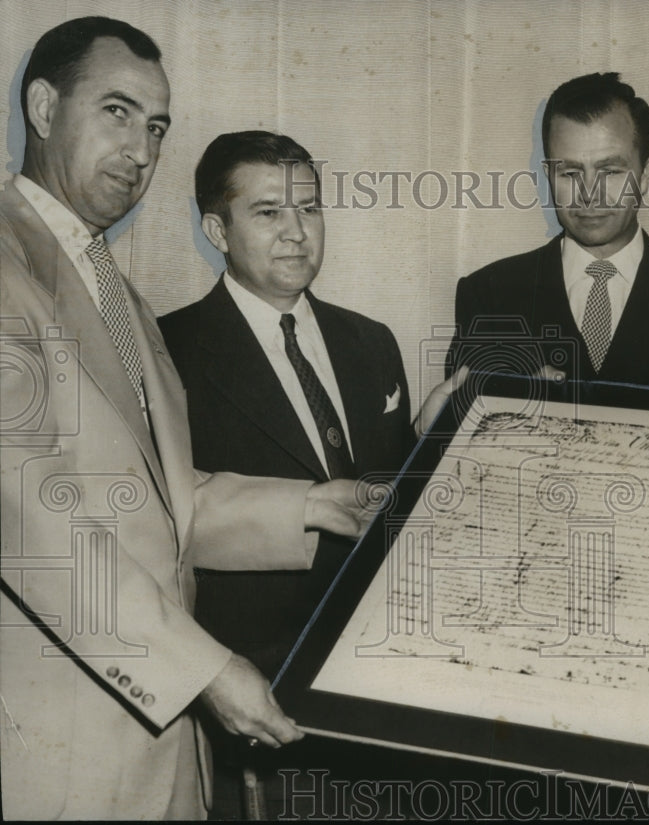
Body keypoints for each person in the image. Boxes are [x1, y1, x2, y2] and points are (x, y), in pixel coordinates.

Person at [0, 18, 375, 820]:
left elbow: (164, 502)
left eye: (158, 125)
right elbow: (29, 522)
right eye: (117, 111)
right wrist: (203, 669)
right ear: (41, 106)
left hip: (160, 750)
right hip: (66, 746)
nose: (141, 149)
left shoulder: (116, 289)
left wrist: (311, 505)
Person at [158, 131, 418, 818]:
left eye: (310, 208)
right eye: (269, 211)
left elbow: (387, 499)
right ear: (216, 228)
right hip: (255, 710)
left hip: (382, 698)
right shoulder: (167, 349)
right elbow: (166, 525)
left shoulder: (373, 339)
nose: (297, 232)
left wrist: (444, 437)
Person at [446, 72, 649, 396]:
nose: (589, 194)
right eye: (570, 172)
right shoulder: (488, 297)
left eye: (610, 172)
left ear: (646, 175)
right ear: (549, 176)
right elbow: (454, 429)